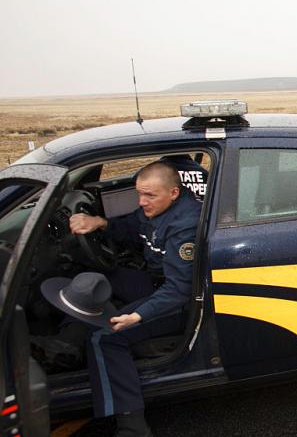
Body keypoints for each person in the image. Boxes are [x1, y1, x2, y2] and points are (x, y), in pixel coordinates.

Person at [55, 161, 200, 436]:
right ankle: (66, 342)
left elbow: (179, 290)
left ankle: (132, 426)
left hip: (179, 298)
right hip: (155, 281)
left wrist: (137, 316)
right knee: (97, 277)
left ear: (174, 193)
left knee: (106, 337)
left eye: (149, 195)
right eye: (139, 194)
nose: (142, 201)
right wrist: (98, 223)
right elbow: (133, 225)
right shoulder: (155, 208)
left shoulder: (185, 226)